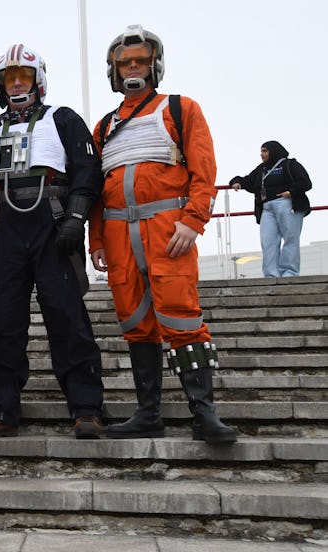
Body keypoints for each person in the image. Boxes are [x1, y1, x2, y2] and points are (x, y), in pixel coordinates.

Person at [89, 25, 237, 444]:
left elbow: (203, 170)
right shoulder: (103, 127)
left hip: (168, 230)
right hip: (119, 234)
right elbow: (97, 191)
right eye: (125, 62)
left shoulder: (180, 108)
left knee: (182, 317)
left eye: (140, 61)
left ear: (155, 65)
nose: (133, 68)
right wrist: (96, 241)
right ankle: (148, 413)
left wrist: (193, 221)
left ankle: (204, 413)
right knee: (136, 323)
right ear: (114, 71)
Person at [0, 43, 105, 439]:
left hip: (53, 223)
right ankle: (2, 409)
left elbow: (89, 169)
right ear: (0, 86)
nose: (17, 83)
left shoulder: (63, 118)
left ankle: (86, 408)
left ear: (38, 80)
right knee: (4, 319)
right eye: (9, 78)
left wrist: (76, 217)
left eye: (23, 76)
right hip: (8, 223)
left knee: (66, 314)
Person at [229, 141, 312, 277]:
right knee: (268, 242)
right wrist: (236, 182)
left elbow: (305, 182)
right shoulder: (262, 169)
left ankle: (289, 273)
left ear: (274, 151)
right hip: (267, 208)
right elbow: (249, 180)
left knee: (290, 239)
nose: (261, 154)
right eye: (261, 151)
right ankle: (271, 274)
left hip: (287, 204)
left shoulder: (290, 165)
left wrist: (290, 192)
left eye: (265, 151)